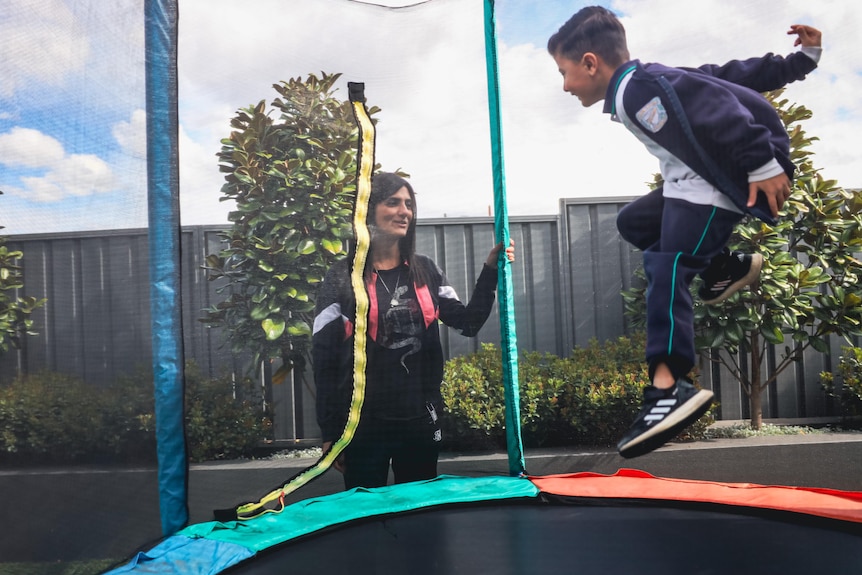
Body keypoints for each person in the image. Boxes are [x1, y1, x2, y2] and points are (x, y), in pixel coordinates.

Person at [547, 7, 822, 458]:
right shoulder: (648, 81)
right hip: (689, 182)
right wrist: (800, 61)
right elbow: (721, 78)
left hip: (718, 183)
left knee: (668, 265)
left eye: (565, 72)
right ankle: (724, 265)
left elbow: (716, 105)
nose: (564, 85)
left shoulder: (638, 91)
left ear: (591, 62)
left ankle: (668, 387)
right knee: (634, 222)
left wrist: (762, 162)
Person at [312, 172, 515, 488]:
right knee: (367, 520)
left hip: (420, 421)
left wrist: (490, 270)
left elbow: (468, 322)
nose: (404, 210)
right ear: (367, 211)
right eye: (393, 202)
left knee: (420, 518)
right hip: (362, 426)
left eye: (408, 204)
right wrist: (329, 432)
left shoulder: (427, 270)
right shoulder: (341, 277)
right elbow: (324, 361)